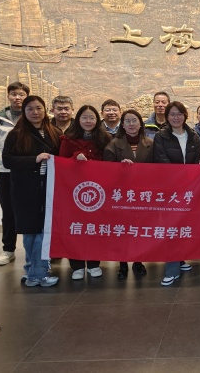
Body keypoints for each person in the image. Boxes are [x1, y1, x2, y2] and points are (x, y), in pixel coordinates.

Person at [2, 96, 60, 287]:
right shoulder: (16, 134)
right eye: (30, 109)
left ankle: (33, 271)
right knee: (31, 231)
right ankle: (37, 274)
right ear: (24, 112)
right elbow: (7, 161)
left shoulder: (54, 132)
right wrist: (34, 159)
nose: (35, 112)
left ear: (45, 110)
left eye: (38, 108)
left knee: (43, 230)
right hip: (25, 190)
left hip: (49, 188)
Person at [153, 101, 200, 285]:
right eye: (172, 114)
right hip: (170, 189)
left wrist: (191, 181)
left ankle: (180, 259)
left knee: (183, 225)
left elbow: (198, 161)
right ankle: (171, 270)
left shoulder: (193, 136)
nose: (176, 117)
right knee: (171, 227)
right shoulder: (161, 136)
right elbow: (160, 160)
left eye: (179, 114)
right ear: (167, 117)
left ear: (185, 116)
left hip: (189, 188)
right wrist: (178, 179)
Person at [59, 105, 111, 280]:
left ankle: (94, 263)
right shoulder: (68, 139)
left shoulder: (105, 138)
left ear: (97, 120)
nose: (88, 121)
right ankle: (77, 265)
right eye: (84, 117)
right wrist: (74, 160)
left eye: (92, 118)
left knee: (95, 228)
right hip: (74, 192)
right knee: (76, 228)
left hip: (99, 192)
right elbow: (61, 164)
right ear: (78, 119)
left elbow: (110, 162)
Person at [103, 110, 153, 279]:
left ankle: (138, 262)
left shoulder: (150, 143)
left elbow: (157, 169)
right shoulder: (113, 144)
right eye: (128, 121)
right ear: (122, 125)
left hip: (143, 194)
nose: (131, 124)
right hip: (121, 195)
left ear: (140, 124)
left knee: (139, 230)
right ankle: (122, 264)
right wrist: (119, 167)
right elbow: (105, 170)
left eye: (134, 121)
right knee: (122, 231)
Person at [0, 82, 29, 266]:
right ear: (8, 96)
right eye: (14, 94)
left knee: (32, 210)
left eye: (21, 94)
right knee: (8, 211)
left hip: (28, 170)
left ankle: (33, 251)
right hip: (5, 170)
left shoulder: (32, 115)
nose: (17, 97)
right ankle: (8, 249)